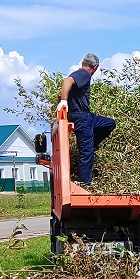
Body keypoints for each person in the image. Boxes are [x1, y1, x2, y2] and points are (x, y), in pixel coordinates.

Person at [56, 53, 116, 185]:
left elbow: (61, 92)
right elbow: (67, 80)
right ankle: (84, 182)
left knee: (109, 123)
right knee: (87, 151)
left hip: (86, 116)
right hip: (81, 117)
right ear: (94, 67)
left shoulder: (80, 75)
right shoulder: (84, 74)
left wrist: (60, 102)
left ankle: (93, 142)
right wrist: (64, 102)